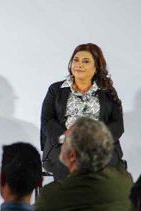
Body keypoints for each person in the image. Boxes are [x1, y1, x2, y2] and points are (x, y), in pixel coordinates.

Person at [41, 43, 124, 181]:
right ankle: (68, 201)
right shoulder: (55, 89)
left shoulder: (107, 91)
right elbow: (47, 121)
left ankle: (96, 201)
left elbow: (118, 125)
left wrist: (97, 140)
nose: (79, 64)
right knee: (68, 164)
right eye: (76, 60)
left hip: (98, 146)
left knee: (101, 166)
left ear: (96, 66)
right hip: (64, 145)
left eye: (86, 61)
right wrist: (68, 140)